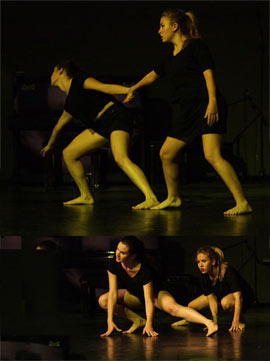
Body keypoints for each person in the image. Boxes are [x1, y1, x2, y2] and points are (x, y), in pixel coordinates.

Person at [124, 8, 252, 215]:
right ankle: (173, 197)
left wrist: (212, 101)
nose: (159, 31)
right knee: (166, 153)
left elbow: (208, 74)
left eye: (162, 26)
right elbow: (152, 75)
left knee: (212, 155)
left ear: (175, 27)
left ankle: (242, 201)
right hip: (186, 112)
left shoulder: (196, 47)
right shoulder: (171, 57)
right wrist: (133, 88)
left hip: (206, 106)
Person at [40, 60, 158, 209]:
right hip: (100, 127)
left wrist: (127, 90)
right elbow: (58, 127)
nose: (50, 75)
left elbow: (105, 88)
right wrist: (50, 146)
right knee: (69, 153)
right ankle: (86, 196)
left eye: (53, 70)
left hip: (115, 116)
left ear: (61, 71)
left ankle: (151, 197)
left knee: (121, 158)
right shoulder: (70, 103)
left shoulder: (80, 80)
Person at [99, 236, 218, 337]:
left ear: (133, 256)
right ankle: (138, 320)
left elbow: (149, 300)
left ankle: (209, 323)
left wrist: (149, 323)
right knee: (103, 300)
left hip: (156, 295)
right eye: (117, 249)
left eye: (123, 252)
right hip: (133, 295)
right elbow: (113, 293)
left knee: (173, 308)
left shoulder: (145, 271)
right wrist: (110, 321)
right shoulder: (114, 264)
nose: (117, 254)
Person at [172, 246, 255, 332]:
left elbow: (238, 297)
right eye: (198, 262)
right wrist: (214, 323)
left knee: (225, 303)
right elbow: (211, 299)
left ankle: (240, 318)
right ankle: (188, 319)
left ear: (213, 261)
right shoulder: (203, 274)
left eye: (204, 261)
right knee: (191, 306)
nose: (200, 265)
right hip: (220, 294)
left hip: (243, 297)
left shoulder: (227, 270)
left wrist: (236, 320)